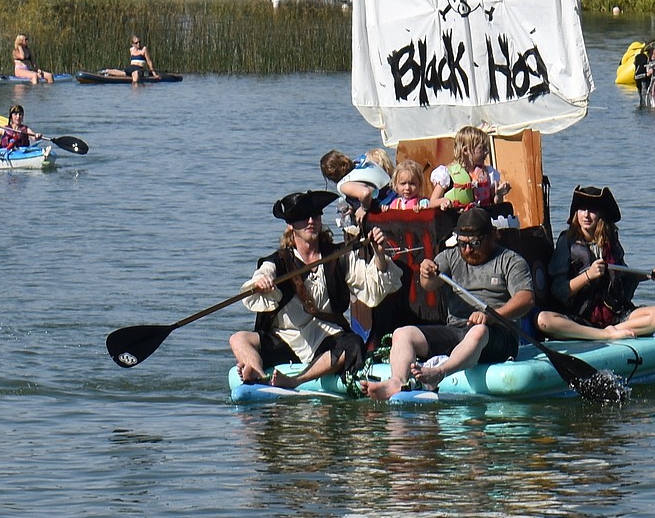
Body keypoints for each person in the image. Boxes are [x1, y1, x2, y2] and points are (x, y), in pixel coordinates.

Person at [229, 190, 402, 388]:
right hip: (287, 337)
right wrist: (262, 282)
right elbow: (265, 272)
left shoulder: (339, 255)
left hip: (327, 338)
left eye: (316, 215)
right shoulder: (278, 260)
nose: (311, 221)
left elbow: (373, 287)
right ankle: (258, 376)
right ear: (291, 225)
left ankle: (296, 381)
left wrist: (379, 255)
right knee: (239, 338)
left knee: (354, 344)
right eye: (303, 217)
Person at [365, 206, 534, 399]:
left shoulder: (510, 260)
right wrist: (426, 273)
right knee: (402, 333)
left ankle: (439, 373)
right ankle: (397, 381)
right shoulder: (450, 256)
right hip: (457, 329)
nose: (468, 250)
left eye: (475, 243)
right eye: (462, 244)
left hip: (498, 333)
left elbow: (526, 298)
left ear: (492, 236)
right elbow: (430, 285)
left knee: (478, 331)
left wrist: (491, 316)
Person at [536, 186, 655, 342]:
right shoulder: (566, 242)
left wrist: (650, 274)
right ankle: (604, 335)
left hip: (616, 315)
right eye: (582, 209)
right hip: (579, 317)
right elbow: (559, 291)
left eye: (592, 210)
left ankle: (612, 331)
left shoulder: (611, 241)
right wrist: (588, 275)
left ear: (601, 214)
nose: (586, 215)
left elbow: (624, 275)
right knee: (543, 320)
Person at [429, 125, 511, 208]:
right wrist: (443, 201)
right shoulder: (446, 174)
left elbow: (495, 206)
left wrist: (499, 195)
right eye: (481, 148)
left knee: (506, 208)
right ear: (465, 150)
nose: (486, 152)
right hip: (457, 218)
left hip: (483, 217)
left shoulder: (489, 173)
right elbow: (431, 202)